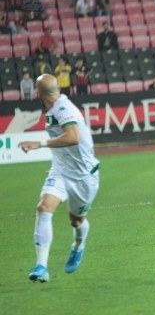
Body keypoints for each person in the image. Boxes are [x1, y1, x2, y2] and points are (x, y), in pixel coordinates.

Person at [18, 74, 100, 283]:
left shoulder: (63, 109)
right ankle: (41, 266)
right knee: (44, 207)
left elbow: (73, 137)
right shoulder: (53, 108)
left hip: (83, 176)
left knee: (76, 220)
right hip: (61, 170)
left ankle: (78, 245)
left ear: (38, 93)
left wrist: (39, 144)